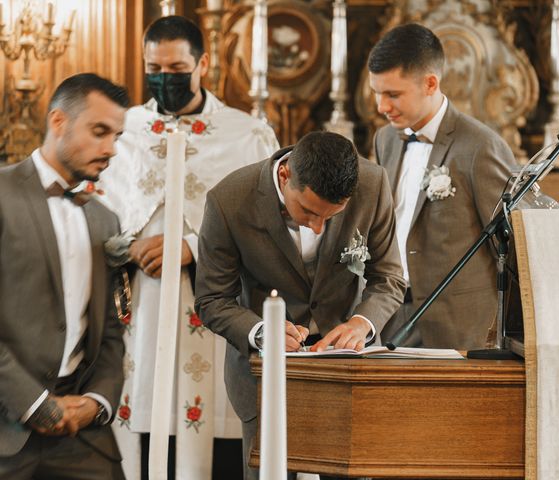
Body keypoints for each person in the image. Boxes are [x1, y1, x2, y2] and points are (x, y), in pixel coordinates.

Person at [98, 15, 279, 480]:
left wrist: (194, 246)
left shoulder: (246, 134)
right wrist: (129, 246)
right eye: (153, 68)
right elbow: (97, 207)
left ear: (202, 63)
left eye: (177, 68)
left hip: (211, 301)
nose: (164, 79)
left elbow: (268, 225)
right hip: (137, 300)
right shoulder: (124, 129)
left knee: (208, 428)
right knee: (137, 414)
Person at [195, 130, 406, 480]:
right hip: (262, 375)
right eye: (308, 211)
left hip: (344, 372)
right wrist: (262, 333)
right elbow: (212, 298)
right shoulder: (228, 200)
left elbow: (389, 278)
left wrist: (361, 324)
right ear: (284, 175)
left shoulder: (373, 184)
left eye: (332, 217)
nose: (319, 229)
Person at [0, 73, 128, 479]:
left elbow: (110, 329)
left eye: (117, 137)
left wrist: (97, 400)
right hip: (6, 426)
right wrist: (33, 403)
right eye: (99, 131)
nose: (110, 149)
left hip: (81, 434)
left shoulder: (105, 219)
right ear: (58, 121)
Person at [368, 23, 516, 350]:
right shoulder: (385, 139)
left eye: (392, 94)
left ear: (430, 83)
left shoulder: (481, 147)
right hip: (391, 320)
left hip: (460, 328)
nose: (381, 106)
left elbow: (512, 249)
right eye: (376, 93)